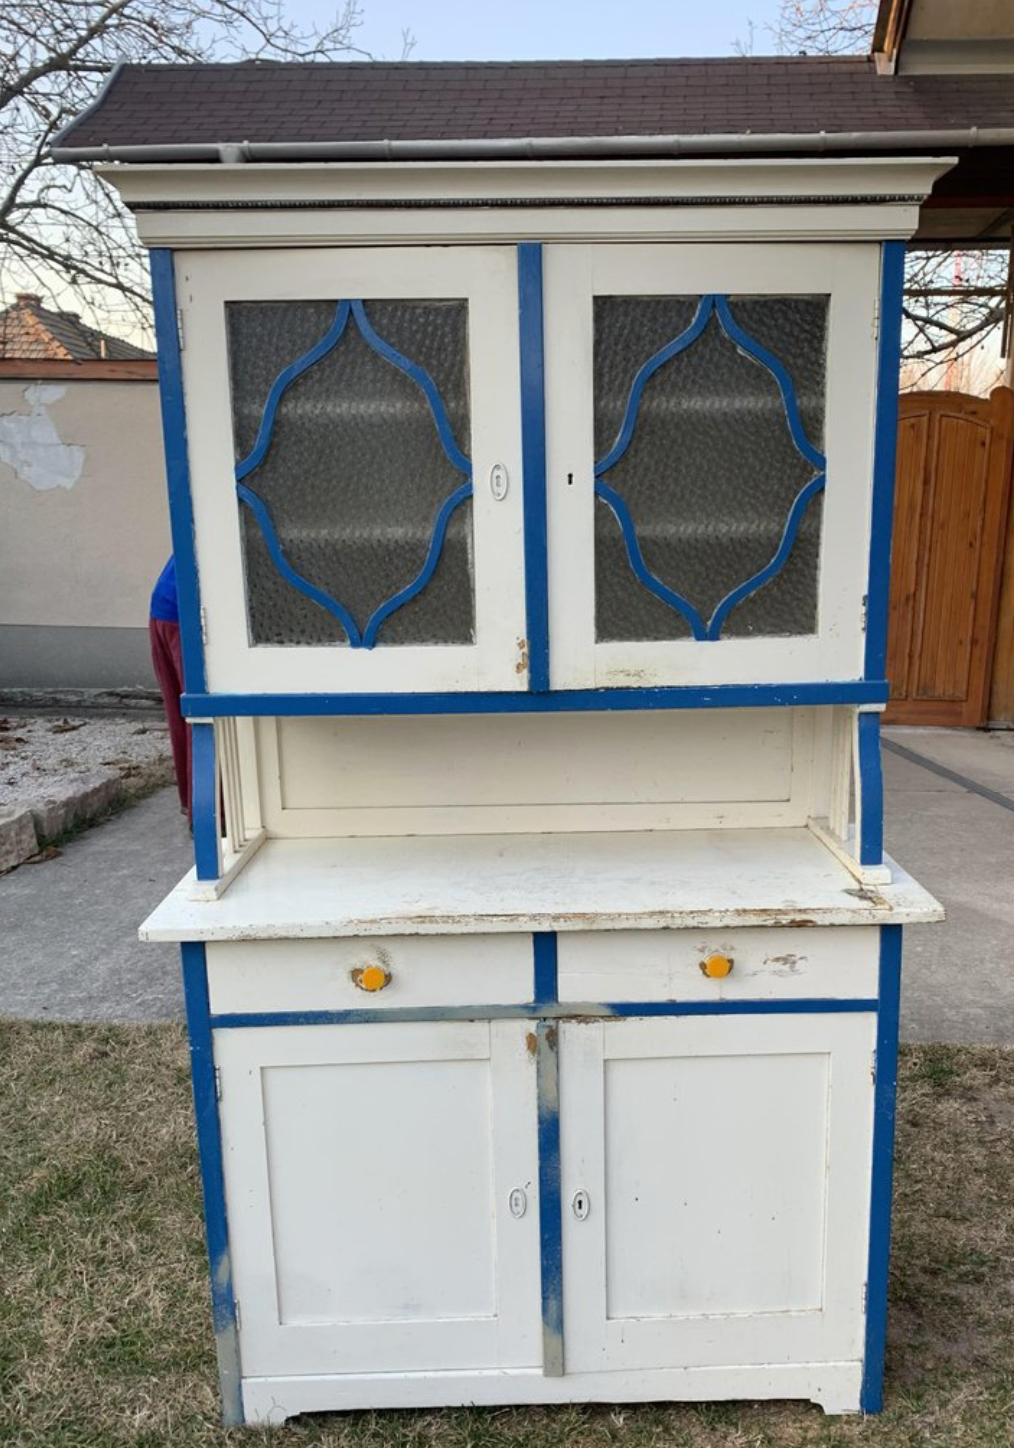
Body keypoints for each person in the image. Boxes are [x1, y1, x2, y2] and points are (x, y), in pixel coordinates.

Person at [149, 557, 191, 824]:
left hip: (166, 606)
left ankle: (197, 807)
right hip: (186, 615)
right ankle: (212, 814)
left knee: (185, 713)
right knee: (202, 714)